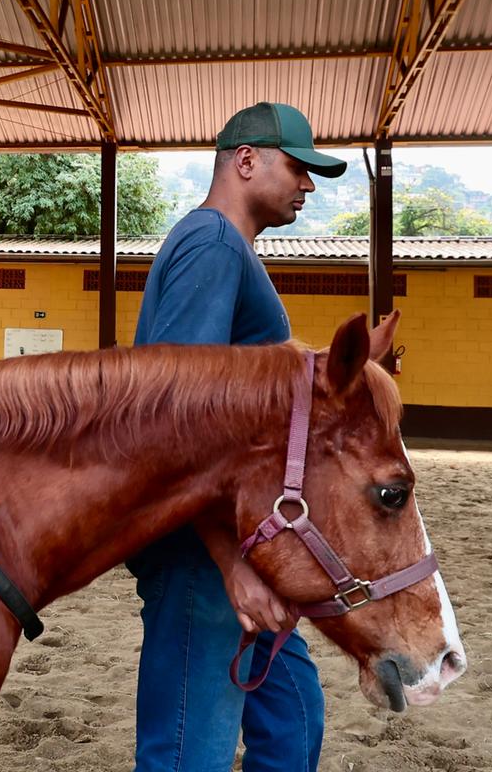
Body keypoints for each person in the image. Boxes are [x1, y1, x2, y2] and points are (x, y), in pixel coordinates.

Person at [128, 101, 348, 772]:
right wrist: (231, 566)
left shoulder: (231, 251)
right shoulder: (213, 244)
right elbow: (178, 424)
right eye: (298, 168)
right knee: (189, 749)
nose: (308, 186)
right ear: (245, 161)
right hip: (205, 548)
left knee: (293, 718)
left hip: (246, 537)